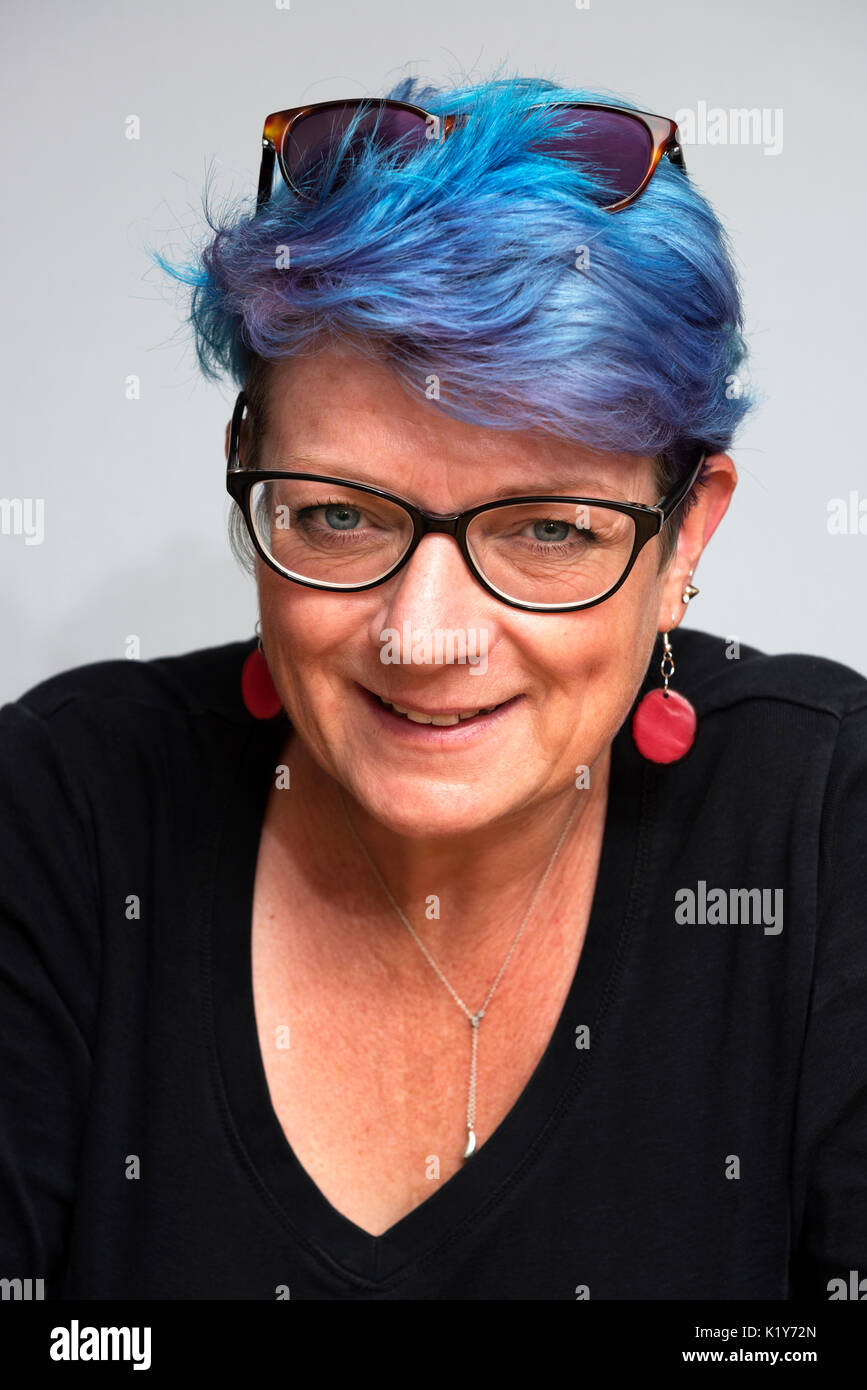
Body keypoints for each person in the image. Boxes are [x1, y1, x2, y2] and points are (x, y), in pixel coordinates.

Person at [1, 73, 865, 1301]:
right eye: (342, 516)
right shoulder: (60, 811)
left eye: (549, 532)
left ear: (685, 540)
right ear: (247, 474)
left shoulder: (829, 827)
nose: (424, 635)